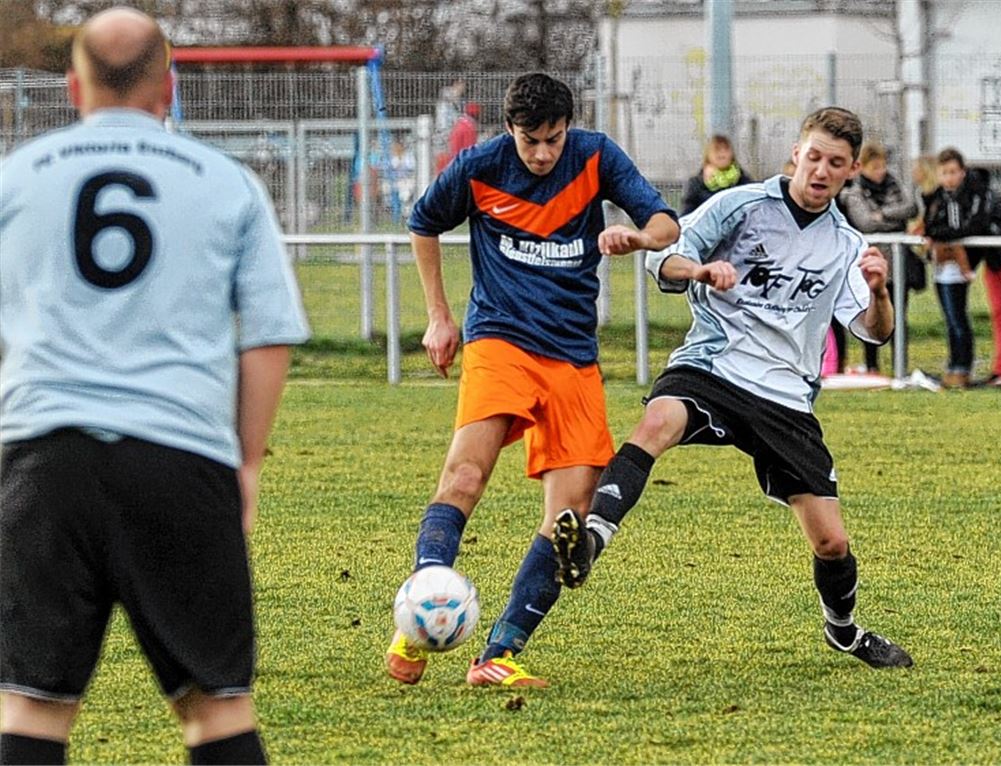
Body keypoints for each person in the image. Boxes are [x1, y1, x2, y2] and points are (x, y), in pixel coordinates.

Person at [0, 8, 309, 765]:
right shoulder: (225, 182)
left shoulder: (13, 179)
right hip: (179, 457)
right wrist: (245, 464)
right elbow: (268, 335)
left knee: (32, 712)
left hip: (43, 460)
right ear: (167, 85)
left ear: (74, 87)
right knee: (217, 711)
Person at [551, 107, 914, 671]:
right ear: (796, 154)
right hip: (715, 365)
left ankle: (842, 630)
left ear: (849, 173)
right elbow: (666, 260)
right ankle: (591, 539)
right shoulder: (740, 205)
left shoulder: (846, 245)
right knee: (656, 422)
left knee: (831, 544)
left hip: (785, 396)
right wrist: (698, 273)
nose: (820, 170)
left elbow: (874, 331)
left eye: (835, 163)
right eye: (813, 156)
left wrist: (880, 290)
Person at [385, 72, 679, 688]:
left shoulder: (595, 155)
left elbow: (665, 224)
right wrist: (439, 316)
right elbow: (423, 222)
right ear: (510, 130)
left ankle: (499, 653)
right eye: (529, 141)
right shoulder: (479, 165)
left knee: (572, 510)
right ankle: (418, 610)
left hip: (573, 355)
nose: (542, 153)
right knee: (466, 473)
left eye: (552, 139)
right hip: (499, 338)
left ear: (567, 128)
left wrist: (638, 237)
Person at [923, 147, 1001, 387]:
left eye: (953, 171)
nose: (949, 177)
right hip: (994, 259)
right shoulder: (946, 197)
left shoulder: (980, 193)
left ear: (963, 172)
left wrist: (941, 234)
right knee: (1000, 314)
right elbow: (936, 226)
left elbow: (974, 227)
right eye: (944, 172)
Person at [840, 141, 922, 373]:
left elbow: (911, 208)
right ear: (863, 167)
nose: (881, 172)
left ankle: (900, 366)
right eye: (875, 167)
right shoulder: (854, 192)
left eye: (882, 166)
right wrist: (891, 219)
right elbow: (864, 221)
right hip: (872, 263)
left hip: (898, 265)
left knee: (898, 316)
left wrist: (882, 214)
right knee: (871, 315)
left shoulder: (894, 185)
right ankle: (872, 365)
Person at [680, 134, 753, 215]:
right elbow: (687, 213)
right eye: (717, 149)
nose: (722, 154)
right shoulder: (696, 183)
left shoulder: (742, 180)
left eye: (726, 149)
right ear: (708, 154)